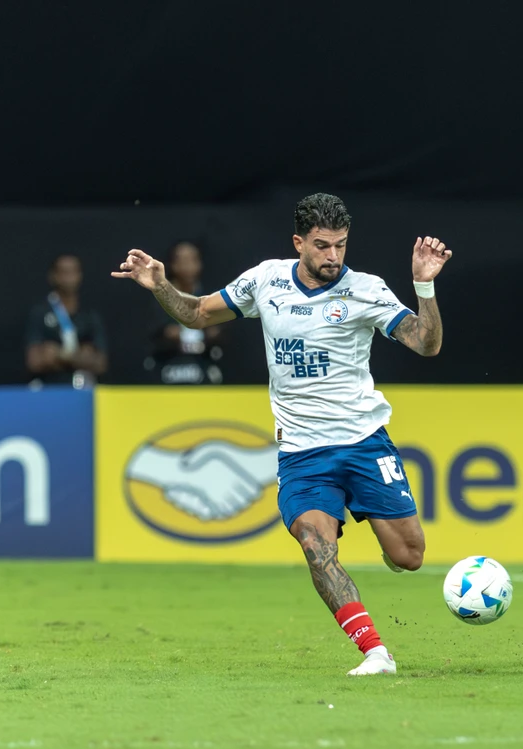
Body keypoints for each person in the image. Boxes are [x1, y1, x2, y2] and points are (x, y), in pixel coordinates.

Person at [113, 193, 450, 677]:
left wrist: (424, 285)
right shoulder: (264, 280)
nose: (333, 256)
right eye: (321, 245)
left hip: (363, 441)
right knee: (315, 543)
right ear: (299, 243)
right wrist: (159, 285)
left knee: (410, 556)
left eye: (340, 245)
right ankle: (375, 652)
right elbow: (197, 313)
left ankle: (385, 542)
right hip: (301, 452)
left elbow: (426, 344)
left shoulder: (366, 289)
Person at [25, 254, 108, 388]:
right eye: (63, 272)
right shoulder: (40, 313)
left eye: (72, 272)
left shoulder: (89, 315)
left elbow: (101, 364)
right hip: (48, 388)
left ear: (80, 275)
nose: (68, 278)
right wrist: (81, 356)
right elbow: (34, 362)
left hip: (83, 390)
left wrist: (58, 354)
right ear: (53, 276)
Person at [147, 242, 225, 384]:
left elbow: (216, 330)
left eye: (193, 260)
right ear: (173, 265)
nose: (189, 266)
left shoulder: (211, 296)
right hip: (168, 365)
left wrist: (191, 335)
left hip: (204, 365)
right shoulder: (161, 296)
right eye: (183, 261)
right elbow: (162, 331)